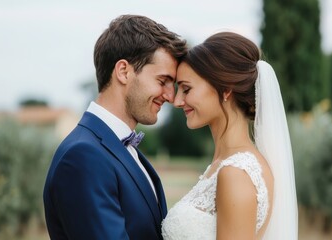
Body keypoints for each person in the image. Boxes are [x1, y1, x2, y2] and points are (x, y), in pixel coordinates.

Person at [43, 14, 187, 240]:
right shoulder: (83, 157)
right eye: (162, 81)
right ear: (123, 72)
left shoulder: (119, 149)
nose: (170, 96)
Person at [161, 32, 298, 239]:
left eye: (187, 89)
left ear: (225, 90)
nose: (177, 101)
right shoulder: (227, 165)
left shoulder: (236, 173)